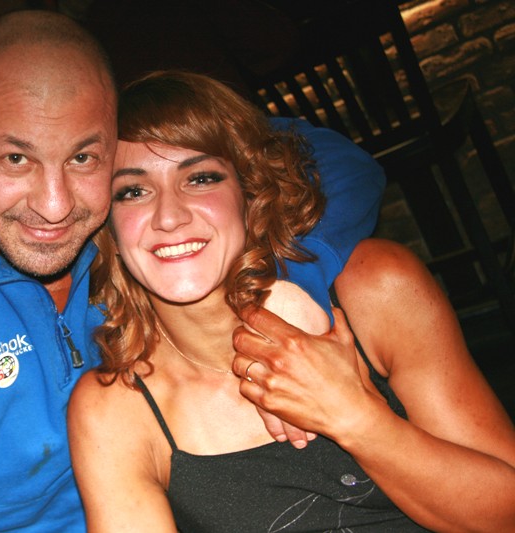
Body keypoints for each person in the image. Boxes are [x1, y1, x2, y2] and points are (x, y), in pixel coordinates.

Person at [0, 10, 387, 531]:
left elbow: (334, 161)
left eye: (84, 157)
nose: (56, 207)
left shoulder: (133, 194)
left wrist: (277, 289)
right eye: (16, 158)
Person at [68, 70, 515, 532]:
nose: (169, 216)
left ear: (250, 194)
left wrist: (355, 417)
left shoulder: (377, 290)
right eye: (133, 191)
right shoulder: (115, 409)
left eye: (200, 178)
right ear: (107, 227)